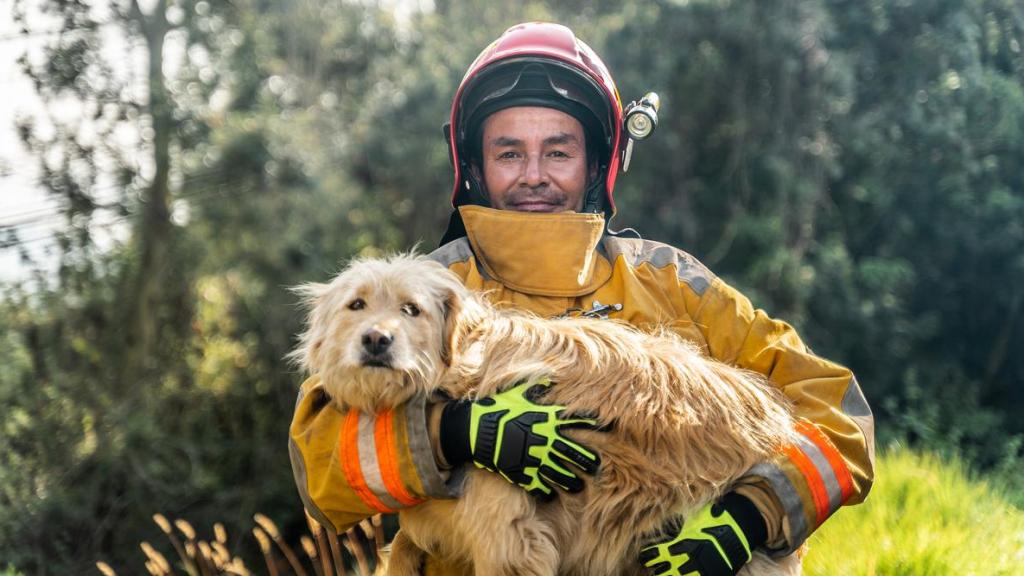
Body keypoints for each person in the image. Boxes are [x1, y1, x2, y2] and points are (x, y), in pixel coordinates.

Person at [289, 22, 875, 576]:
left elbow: (837, 412)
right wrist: (450, 431)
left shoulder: (672, 282)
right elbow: (320, 467)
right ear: (474, 165)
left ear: (599, 163)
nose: (534, 175)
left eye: (559, 151)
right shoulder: (426, 291)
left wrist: (749, 517)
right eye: (510, 152)